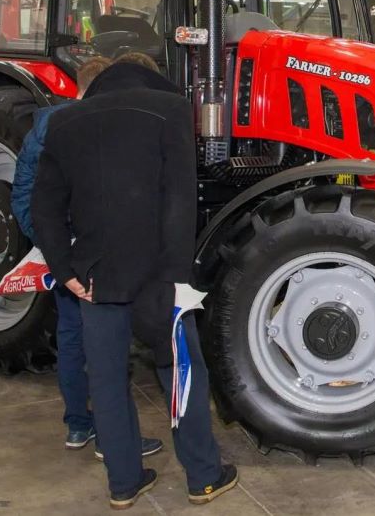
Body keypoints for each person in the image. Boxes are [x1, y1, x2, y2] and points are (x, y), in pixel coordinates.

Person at [32, 58, 237, 509]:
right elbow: (181, 199)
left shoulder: (64, 122)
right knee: (180, 373)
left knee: (106, 379)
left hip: (94, 277)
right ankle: (203, 477)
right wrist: (175, 275)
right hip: (159, 273)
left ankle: (123, 483)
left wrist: (64, 270)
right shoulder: (170, 109)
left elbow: (42, 207)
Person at [11, 56, 165, 459]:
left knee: (71, 337)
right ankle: (115, 440)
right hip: (96, 252)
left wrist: (51, 246)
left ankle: (78, 425)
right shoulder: (99, 124)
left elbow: (24, 192)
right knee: (107, 346)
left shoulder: (45, 123)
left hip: (63, 251)